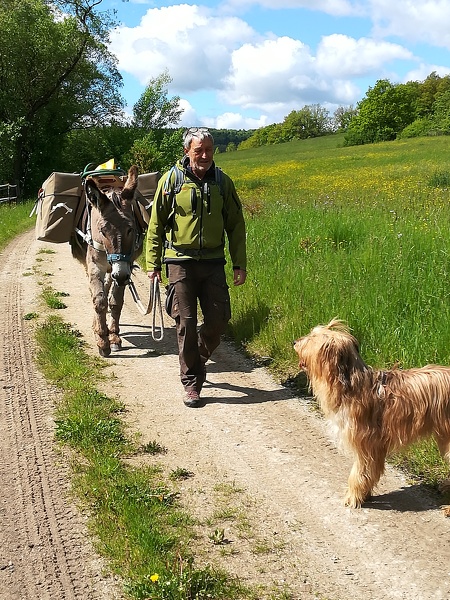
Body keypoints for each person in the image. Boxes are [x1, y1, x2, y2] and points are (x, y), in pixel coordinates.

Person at [145, 127, 247, 408]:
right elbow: (156, 225)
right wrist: (153, 263)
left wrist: (239, 263)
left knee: (219, 320)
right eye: (198, 150)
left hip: (213, 262)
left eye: (209, 150)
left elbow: (236, 225)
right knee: (186, 323)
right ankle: (191, 383)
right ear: (187, 151)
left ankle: (198, 357)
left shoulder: (222, 182)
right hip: (180, 262)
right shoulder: (171, 181)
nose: (204, 156)